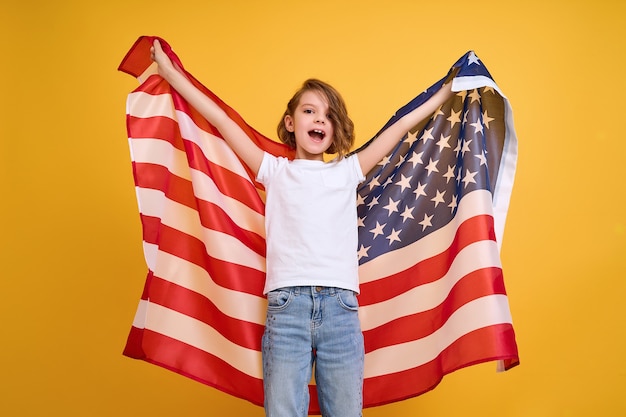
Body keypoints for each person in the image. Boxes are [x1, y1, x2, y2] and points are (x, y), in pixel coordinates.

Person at [150, 39, 452, 417]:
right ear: (291, 123)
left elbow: (403, 124)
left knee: (345, 411)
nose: (319, 119)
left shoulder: (347, 171)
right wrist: (170, 73)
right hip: (286, 309)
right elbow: (223, 121)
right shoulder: (274, 171)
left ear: (335, 128)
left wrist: (445, 93)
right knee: (282, 411)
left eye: (327, 115)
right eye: (309, 111)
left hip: (341, 309)